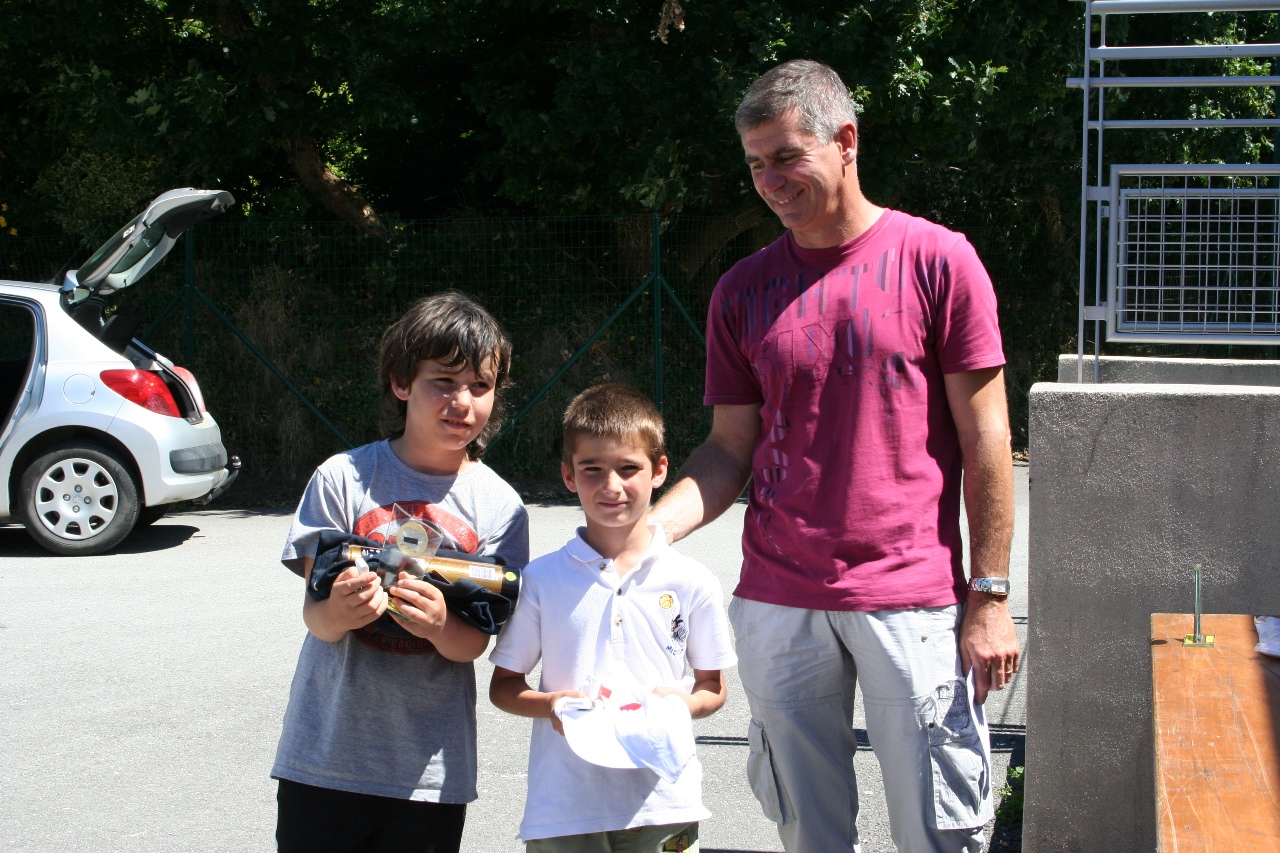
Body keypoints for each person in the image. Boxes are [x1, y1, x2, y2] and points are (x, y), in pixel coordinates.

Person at [649, 60, 1021, 853]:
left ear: (846, 140)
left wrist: (989, 594)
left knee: (941, 832)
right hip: (778, 599)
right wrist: (647, 532)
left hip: (910, 598)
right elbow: (728, 446)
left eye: (787, 156)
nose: (770, 181)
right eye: (756, 164)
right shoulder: (741, 290)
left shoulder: (938, 261)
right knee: (808, 832)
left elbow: (989, 437)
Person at [271, 291, 530, 853]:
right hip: (324, 757)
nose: (462, 402)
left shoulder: (501, 507)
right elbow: (318, 620)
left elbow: (473, 645)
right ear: (401, 382)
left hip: (429, 774)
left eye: (480, 385)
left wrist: (439, 625)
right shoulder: (343, 477)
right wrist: (342, 610)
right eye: (444, 381)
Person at [489, 383, 737, 851]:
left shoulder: (692, 580)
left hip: (664, 803)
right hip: (564, 809)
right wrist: (552, 704)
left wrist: (678, 706)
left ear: (659, 471)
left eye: (628, 468)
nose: (611, 486)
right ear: (568, 475)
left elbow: (713, 687)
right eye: (592, 469)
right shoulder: (542, 579)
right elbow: (504, 687)